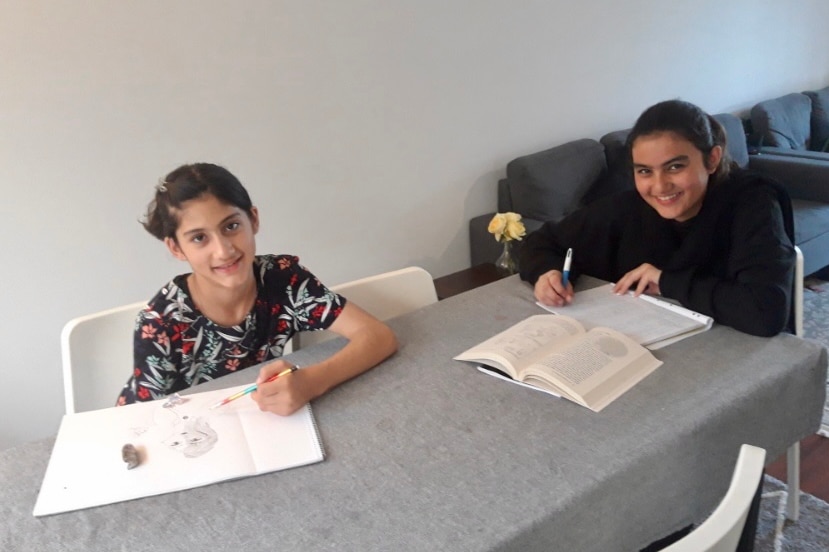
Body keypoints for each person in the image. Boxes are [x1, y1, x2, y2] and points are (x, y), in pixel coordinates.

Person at [118, 162, 398, 414]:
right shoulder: (160, 324)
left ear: (253, 220)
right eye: (200, 238)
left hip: (252, 417)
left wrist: (313, 382)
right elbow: (145, 421)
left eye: (231, 226)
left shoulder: (284, 280)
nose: (224, 251)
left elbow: (377, 335)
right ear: (176, 247)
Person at [518, 99, 796, 337]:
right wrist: (546, 273)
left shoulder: (752, 202)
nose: (660, 186)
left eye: (675, 167)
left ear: (712, 159)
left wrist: (666, 281)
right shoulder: (628, 207)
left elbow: (765, 311)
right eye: (644, 171)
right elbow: (541, 242)